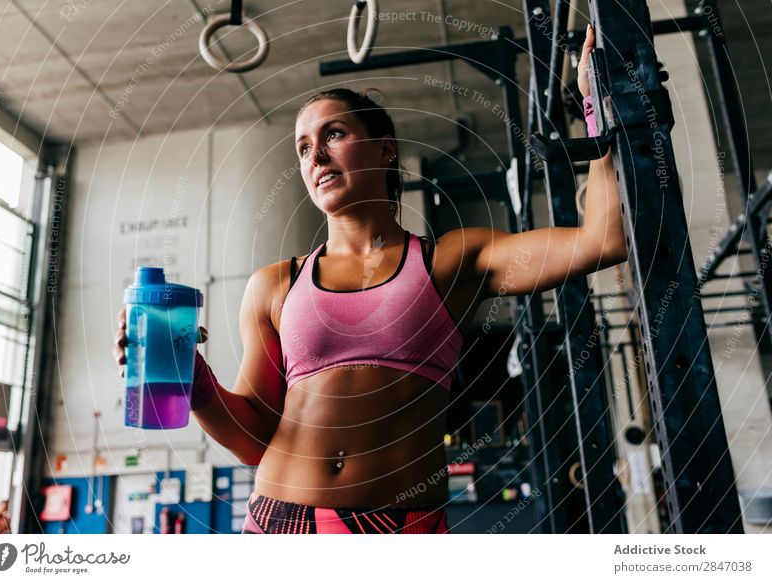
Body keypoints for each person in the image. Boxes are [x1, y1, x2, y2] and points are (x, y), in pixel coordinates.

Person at [114, 27, 624, 534]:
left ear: (385, 150)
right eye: (303, 148)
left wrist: (595, 99)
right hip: (278, 519)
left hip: (398, 526)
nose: (315, 156)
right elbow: (253, 438)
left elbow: (603, 239)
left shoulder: (453, 261)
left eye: (334, 134)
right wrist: (194, 380)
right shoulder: (274, 286)